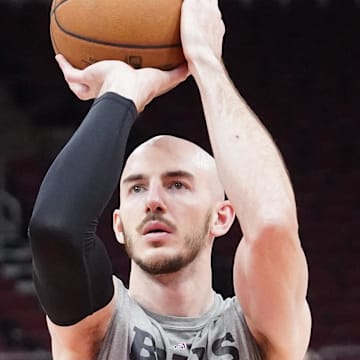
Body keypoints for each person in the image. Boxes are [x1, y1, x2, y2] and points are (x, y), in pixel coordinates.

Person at [28, 0, 311, 358]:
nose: (153, 200)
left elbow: (273, 224)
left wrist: (206, 61)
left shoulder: (258, 329)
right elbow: (56, 231)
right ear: (118, 224)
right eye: (136, 187)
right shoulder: (99, 330)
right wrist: (123, 91)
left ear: (222, 216)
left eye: (178, 184)